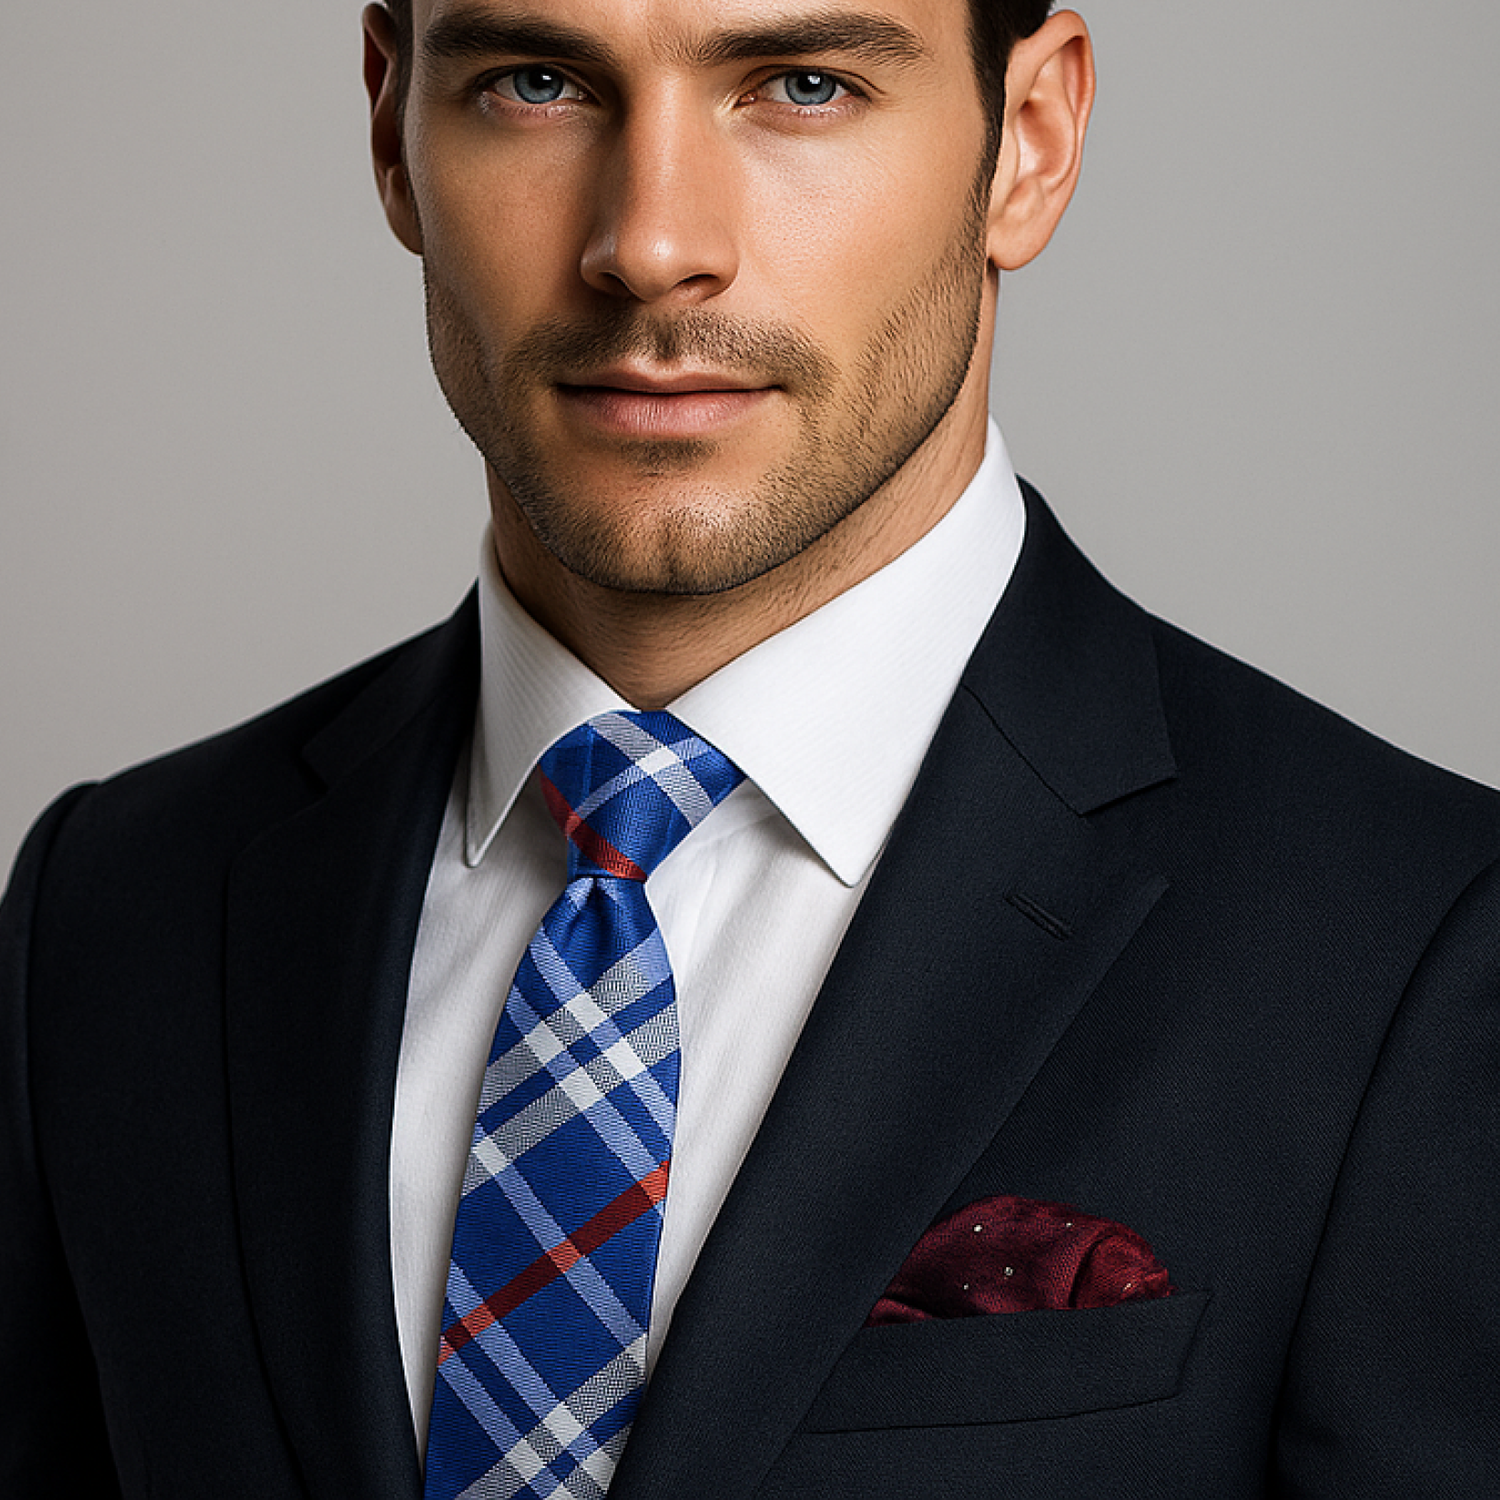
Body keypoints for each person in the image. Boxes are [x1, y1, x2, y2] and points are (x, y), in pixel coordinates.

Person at [3, 0, 1497, 1495]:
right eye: (536, 82)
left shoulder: (1421, 954)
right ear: (393, 127)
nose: (650, 244)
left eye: (803, 84)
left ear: (1027, 143)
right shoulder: (106, 910)